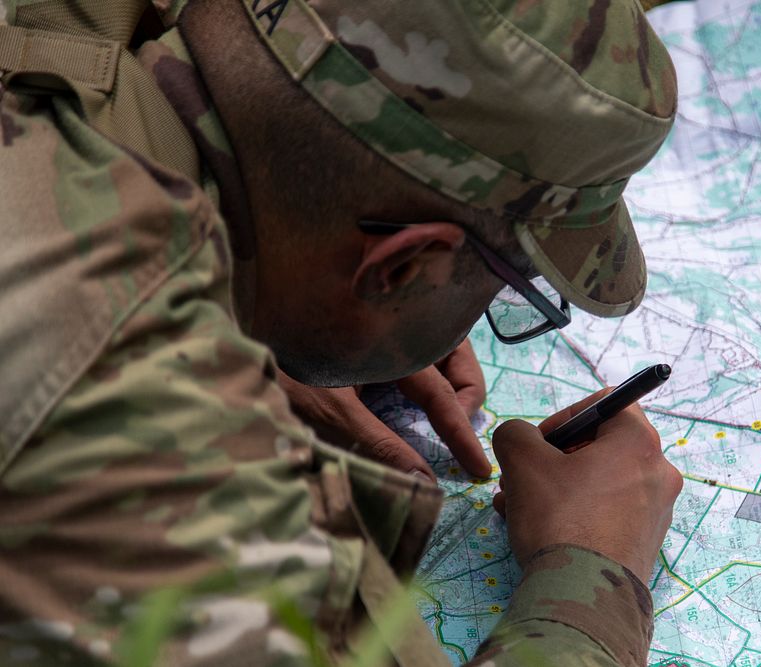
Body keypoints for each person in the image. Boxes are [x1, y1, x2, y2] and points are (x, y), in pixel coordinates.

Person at [0, 0, 683, 665]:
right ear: (401, 266)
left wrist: (273, 299)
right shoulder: (152, 436)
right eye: (508, 283)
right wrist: (593, 575)